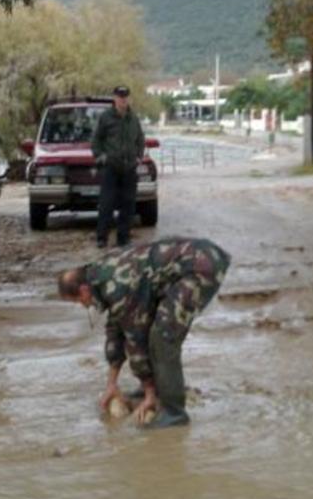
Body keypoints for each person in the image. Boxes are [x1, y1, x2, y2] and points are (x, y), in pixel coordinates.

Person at [58, 237, 231, 429]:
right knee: (152, 330)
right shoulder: (98, 276)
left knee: (163, 337)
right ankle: (157, 390)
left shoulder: (116, 285)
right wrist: (112, 384)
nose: (82, 305)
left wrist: (148, 394)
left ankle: (174, 412)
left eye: (78, 301)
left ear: (83, 290)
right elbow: (115, 328)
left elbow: (135, 339)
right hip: (189, 264)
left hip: (201, 267)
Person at [91, 85, 145, 248]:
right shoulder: (106, 117)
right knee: (106, 204)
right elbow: (96, 140)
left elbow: (140, 138)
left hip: (129, 167)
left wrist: (139, 156)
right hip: (111, 167)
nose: (123, 100)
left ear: (129, 99)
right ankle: (102, 238)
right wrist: (101, 157)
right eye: (120, 97)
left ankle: (124, 237)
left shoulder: (133, 118)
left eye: (126, 97)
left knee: (128, 204)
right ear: (115, 99)